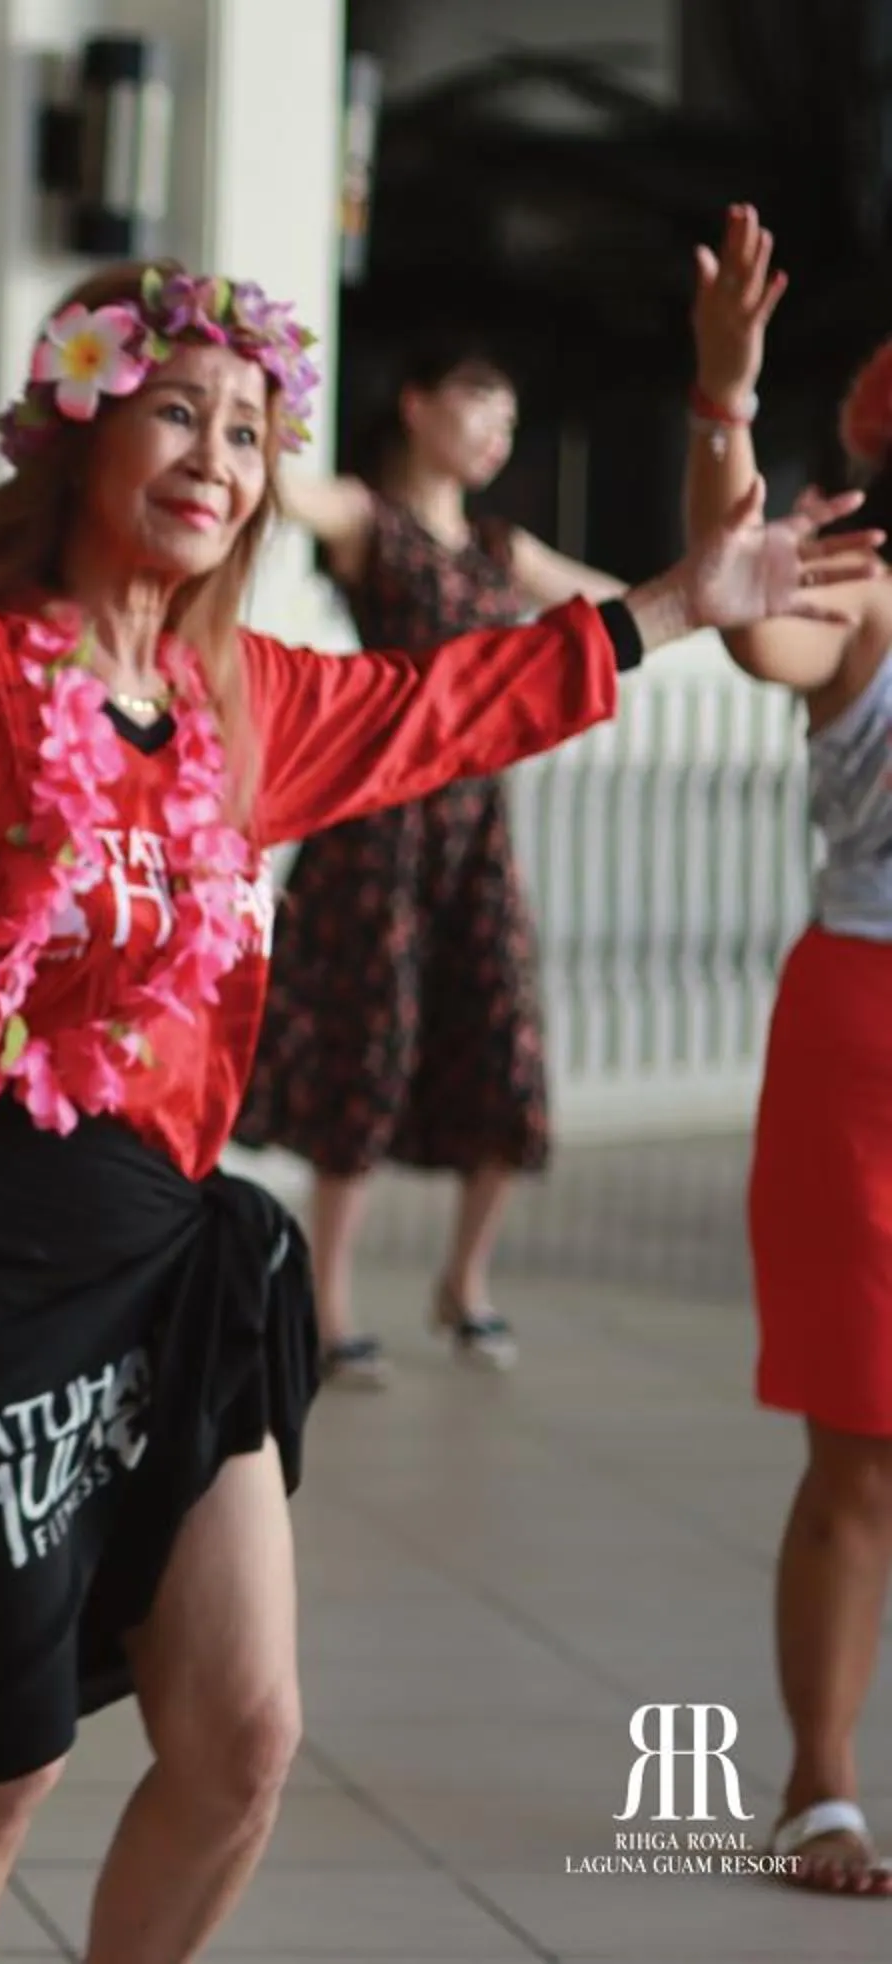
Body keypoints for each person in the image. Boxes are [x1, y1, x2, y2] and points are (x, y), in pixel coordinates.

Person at [0, 263, 874, 1964]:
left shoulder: (253, 705)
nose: (216, 457)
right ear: (80, 432)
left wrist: (681, 600)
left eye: (250, 432)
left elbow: (450, 702)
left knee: (245, 1739)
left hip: (164, 1238)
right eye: (177, 415)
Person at [235, 343, 626, 1387]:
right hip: (378, 828)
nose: (499, 431)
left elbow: (624, 606)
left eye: (511, 418)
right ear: (416, 406)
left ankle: (465, 1280)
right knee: (369, 1049)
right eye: (479, 403)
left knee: (506, 1039)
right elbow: (282, 491)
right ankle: (328, 1305)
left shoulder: (504, 547)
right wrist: (250, 400)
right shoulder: (370, 519)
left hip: (474, 834)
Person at [686, 201, 892, 1899]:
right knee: (863, 1443)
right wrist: (725, 403)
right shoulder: (866, 593)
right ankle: (820, 1782)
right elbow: (752, 624)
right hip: (869, 1041)